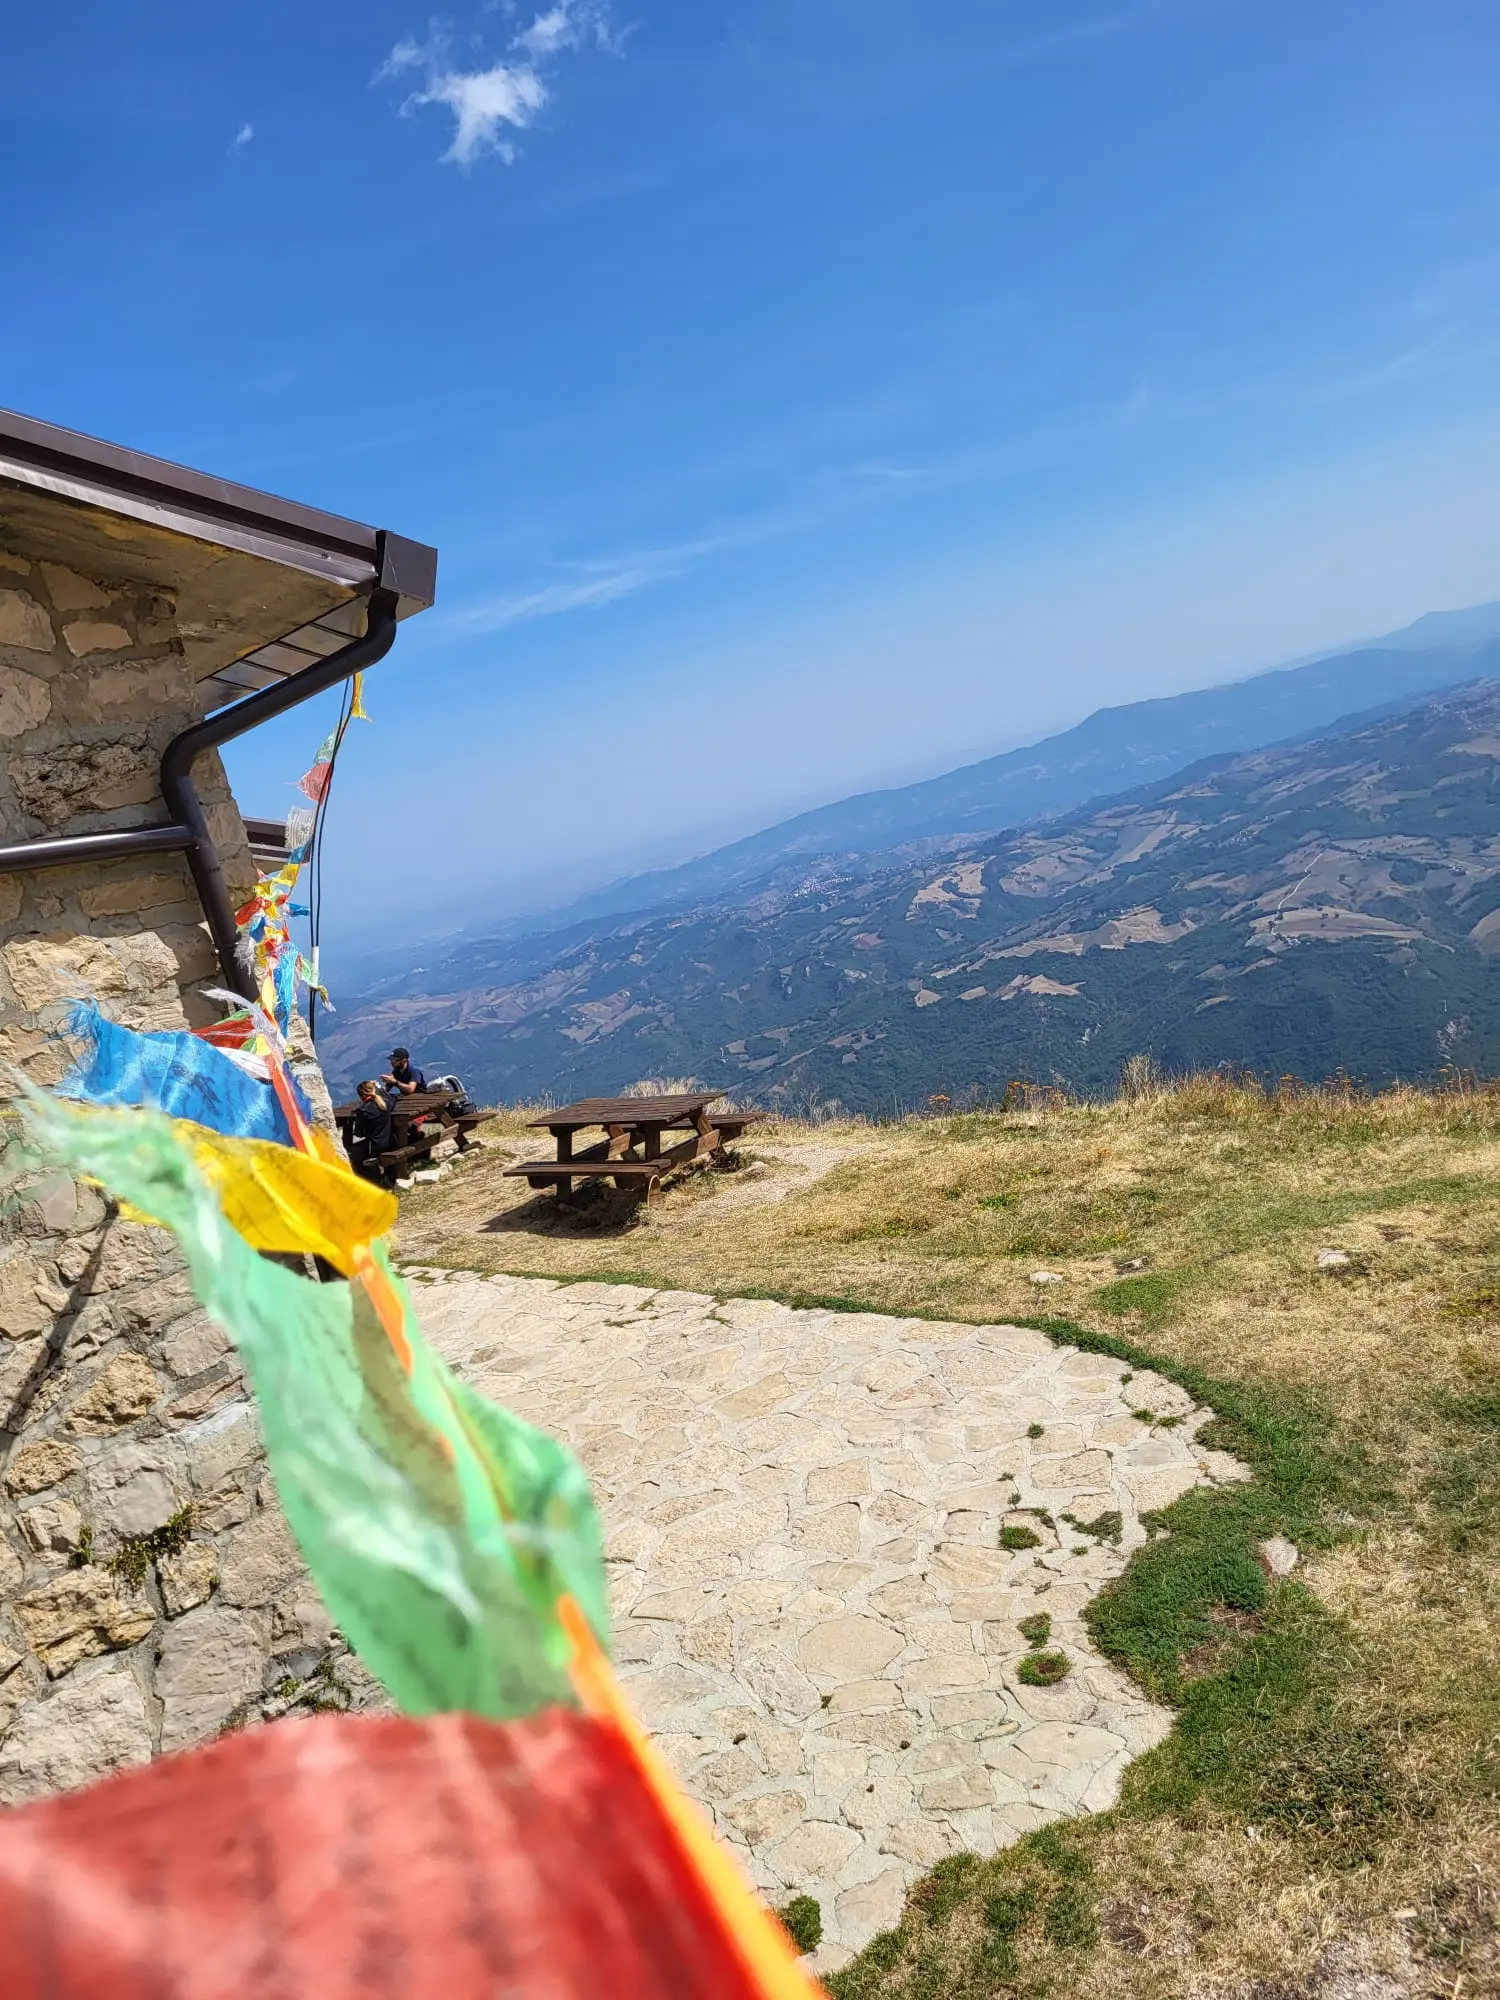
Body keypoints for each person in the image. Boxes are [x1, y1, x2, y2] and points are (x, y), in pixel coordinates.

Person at [349, 1079, 394, 1182]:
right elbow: (391, 1100)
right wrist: (379, 1090)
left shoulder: (363, 1110)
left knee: (354, 1158)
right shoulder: (385, 1103)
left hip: (374, 1147)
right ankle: (387, 1175)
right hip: (390, 1141)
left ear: (360, 1095)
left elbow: (358, 1133)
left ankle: (375, 1179)